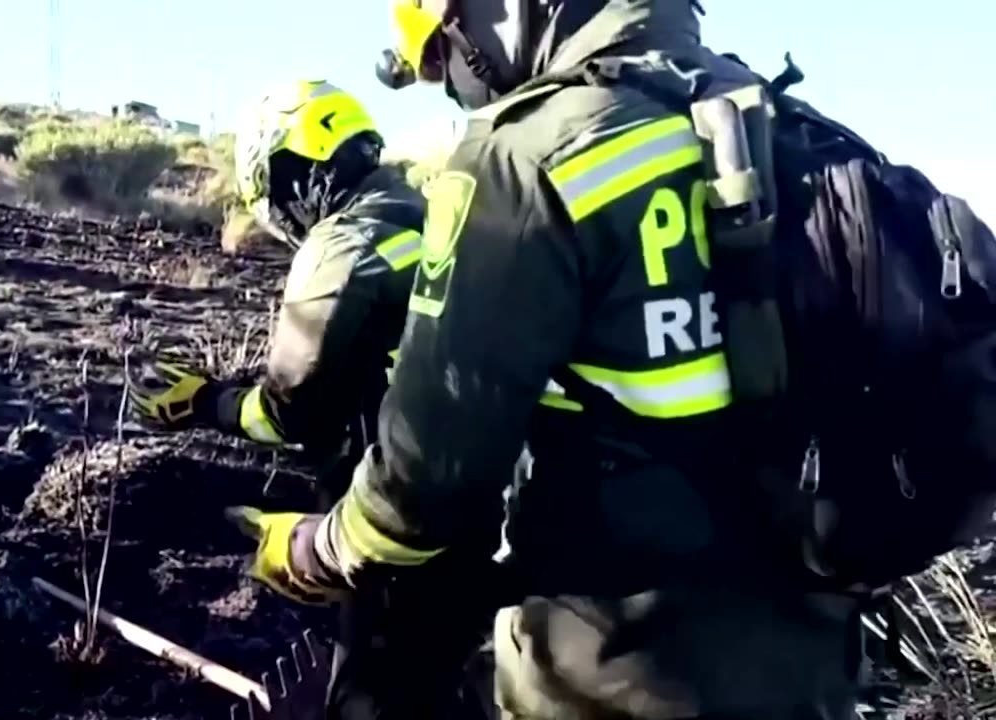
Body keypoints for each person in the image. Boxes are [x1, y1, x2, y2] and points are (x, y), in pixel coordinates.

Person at [223, 1, 928, 718]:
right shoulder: (801, 133)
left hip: (612, 676)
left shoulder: (530, 158)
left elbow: (427, 483)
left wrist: (319, 547)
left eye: (444, 54)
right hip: (811, 674)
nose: (454, 86)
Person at [129, 80, 496, 720]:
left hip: (393, 516)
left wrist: (206, 402)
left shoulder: (347, 241)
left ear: (295, 170)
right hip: (492, 507)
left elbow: (291, 408)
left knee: (370, 698)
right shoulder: (441, 213)